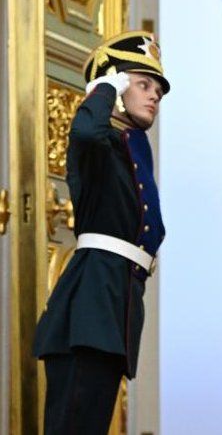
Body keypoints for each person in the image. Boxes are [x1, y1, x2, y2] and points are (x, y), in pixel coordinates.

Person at [34, 30, 169, 434]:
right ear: (117, 84)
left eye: (158, 90)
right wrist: (103, 87)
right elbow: (87, 132)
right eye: (142, 84)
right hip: (90, 306)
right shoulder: (99, 142)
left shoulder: (131, 144)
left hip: (115, 305)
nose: (154, 96)